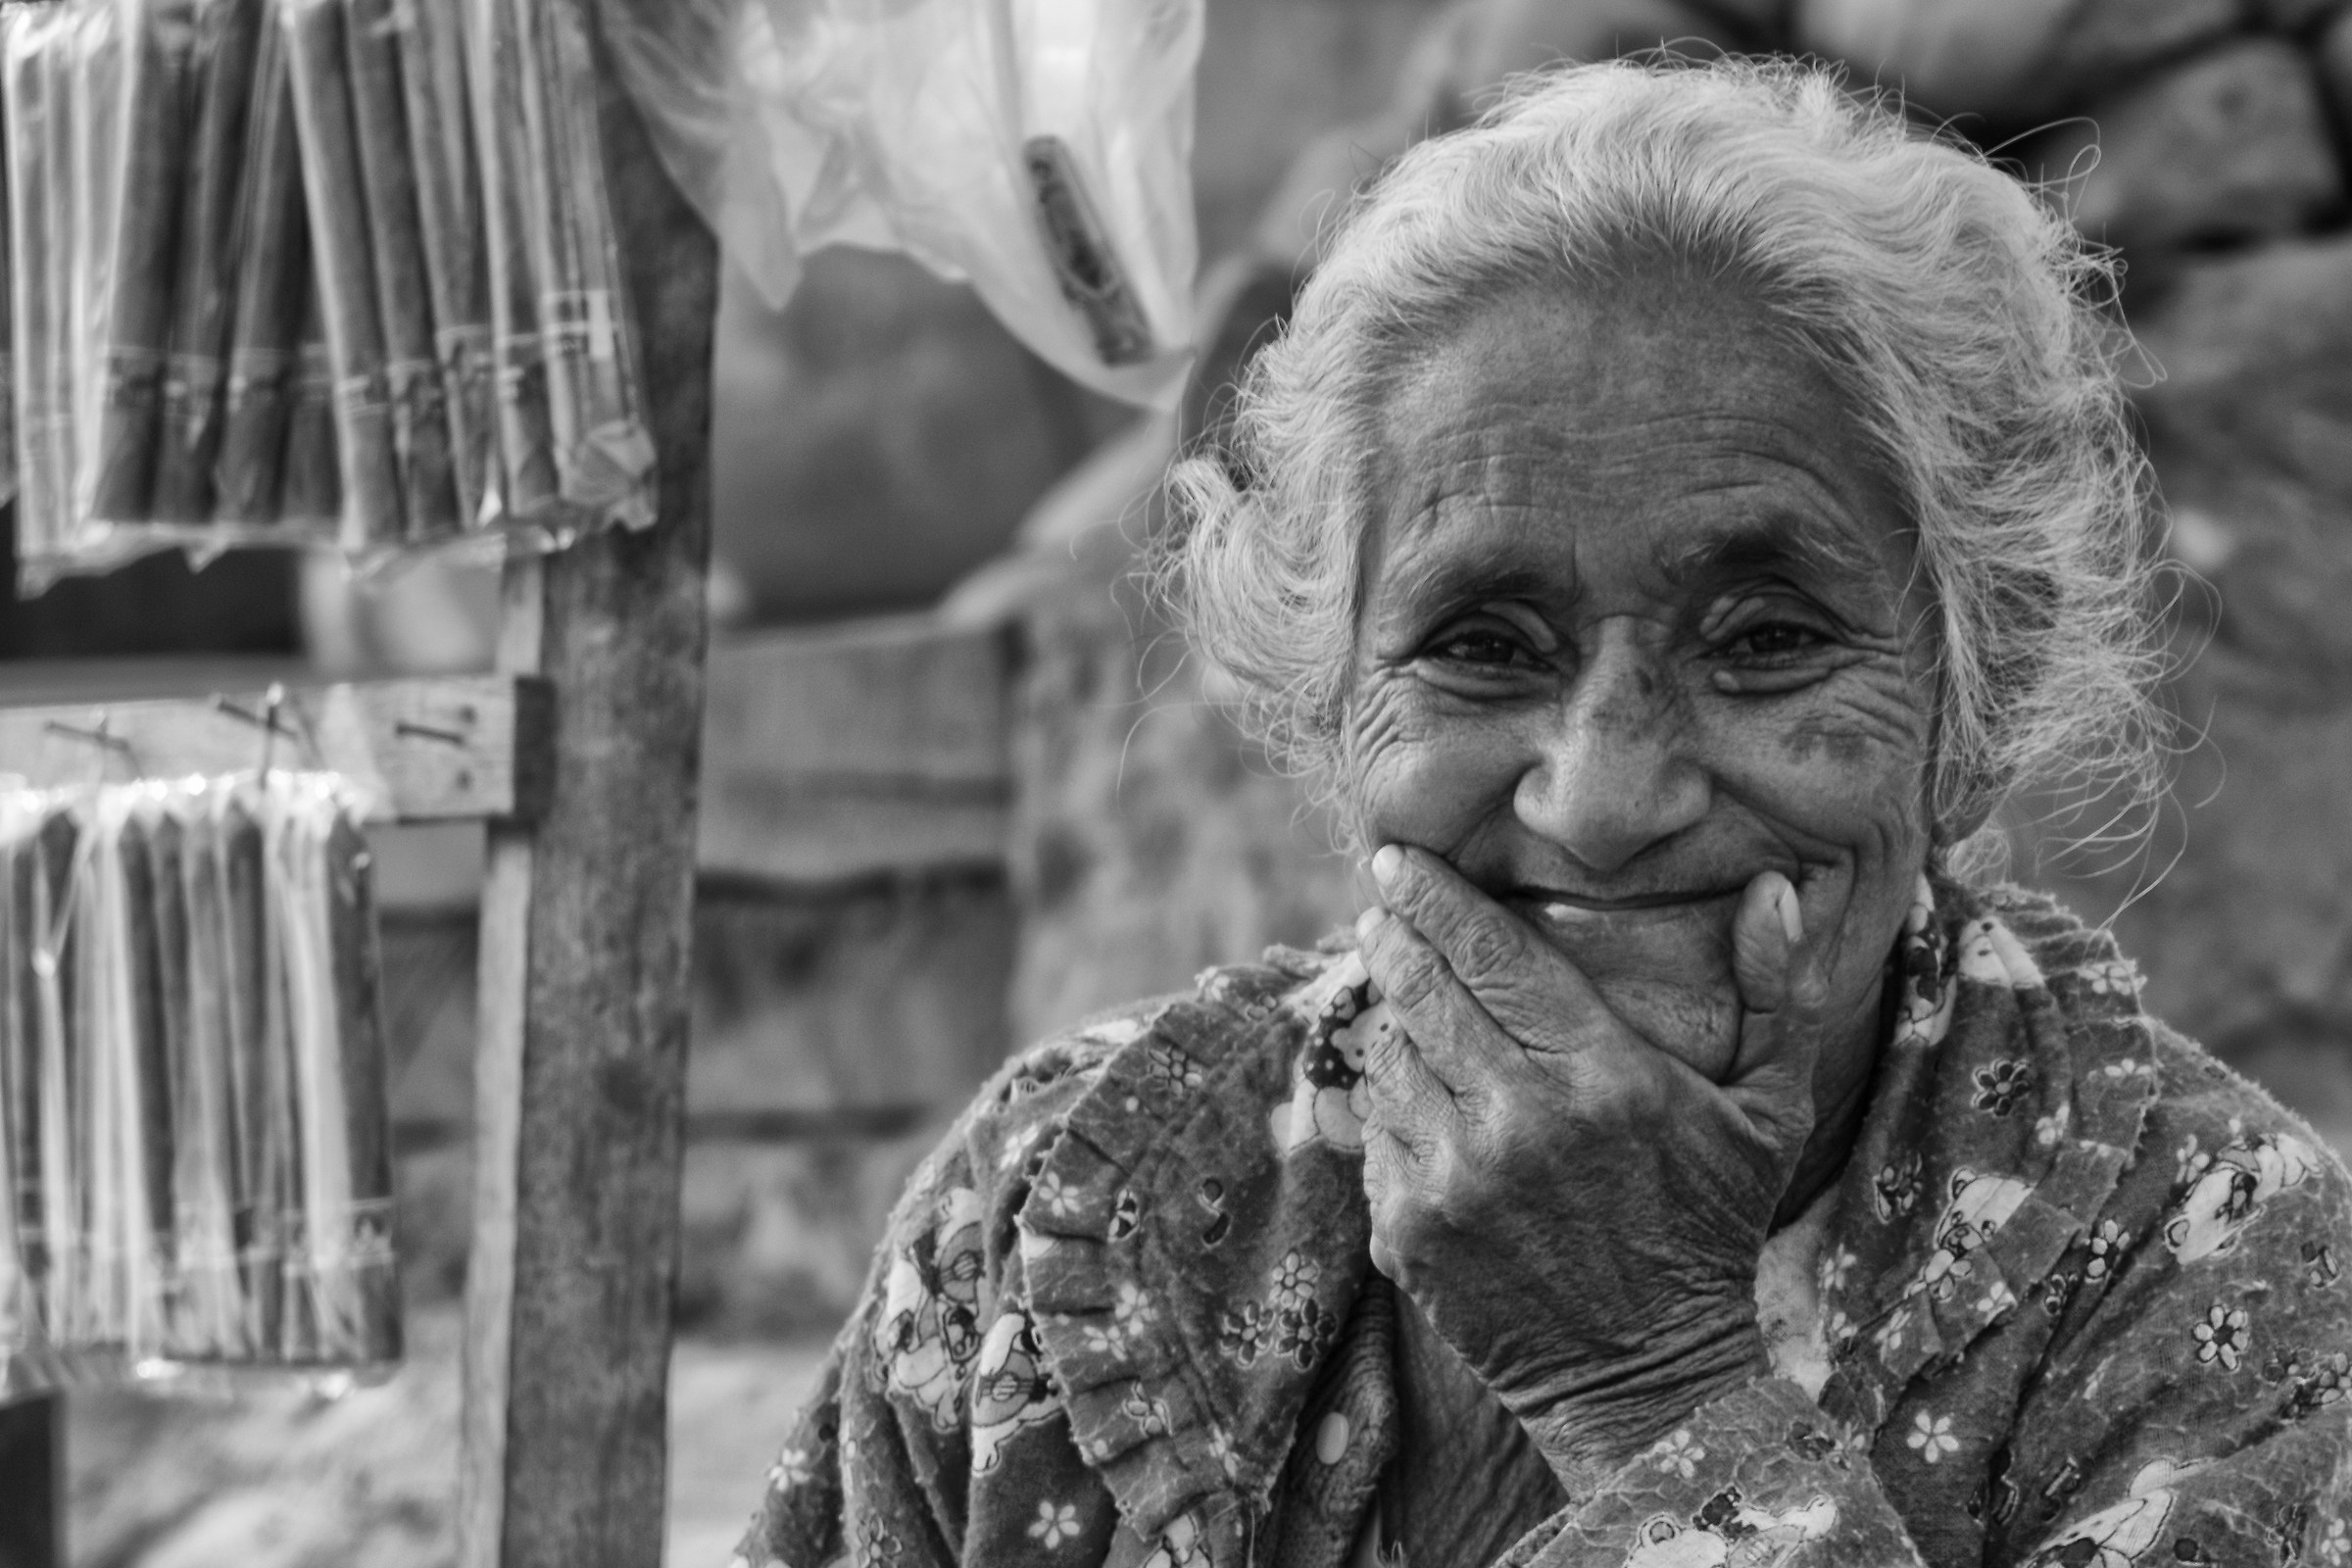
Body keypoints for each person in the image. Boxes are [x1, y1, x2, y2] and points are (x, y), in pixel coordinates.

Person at [732, 58, 2352, 1568]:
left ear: (1972, 707)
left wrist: (1646, 1377)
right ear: (1327, 717)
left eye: (1767, 639)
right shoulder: (1053, 1218)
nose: (1603, 799)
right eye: (1480, 646)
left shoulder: (2227, 1280)